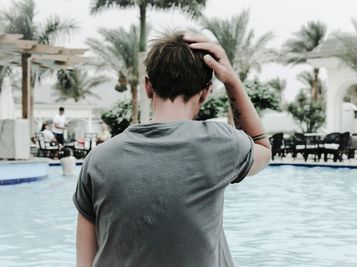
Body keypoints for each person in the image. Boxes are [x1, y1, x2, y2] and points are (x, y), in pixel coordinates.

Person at [74, 32, 271, 267]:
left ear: (148, 86)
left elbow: (84, 261)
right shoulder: (221, 145)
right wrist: (231, 80)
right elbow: (262, 148)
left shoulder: (98, 159)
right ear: (206, 92)